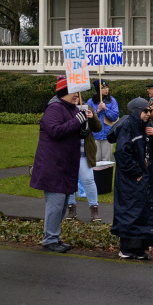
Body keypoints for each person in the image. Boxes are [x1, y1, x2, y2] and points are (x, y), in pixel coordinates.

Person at [30, 76, 101, 252]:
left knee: (61, 205)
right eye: (74, 91)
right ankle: (50, 240)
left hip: (65, 164)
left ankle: (54, 237)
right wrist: (77, 122)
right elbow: (55, 131)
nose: (77, 95)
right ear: (64, 93)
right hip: (53, 165)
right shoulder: (54, 109)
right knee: (55, 205)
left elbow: (73, 130)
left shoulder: (70, 108)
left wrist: (83, 129)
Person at [107, 97, 153, 259]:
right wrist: (137, 173)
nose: (148, 114)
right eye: (146, 111)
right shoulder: (127, 126)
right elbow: (122, 153)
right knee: (130, 210)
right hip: (131, 179)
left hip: (144, 176)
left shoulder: (146, 126)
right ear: (137, 111)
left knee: (143, 209)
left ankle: (140, 248)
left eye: (150, 111)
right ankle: (127, 248)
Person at [67, 86, 104, 223]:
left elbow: (98, 128)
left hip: (84, 152)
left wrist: (92, 117)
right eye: (73, 94)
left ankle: (94, 210)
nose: (76, 96)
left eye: (77, 94)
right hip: (69, 152)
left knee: (88, 180)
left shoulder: (86, 107)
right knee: (70, 181)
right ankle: (71, 210)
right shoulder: (63, 109)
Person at [87, 79, 119, 163]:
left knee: (106, 160)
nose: (106, 90)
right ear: (98, 90)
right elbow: (88, 118)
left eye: (107, 87)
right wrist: (98, 111)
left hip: (107, 135)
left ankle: (106, 176)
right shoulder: (91, 101)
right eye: (103, 88)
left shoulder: (112, 101)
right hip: (95, 135)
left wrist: (105, 108)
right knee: (96, 160)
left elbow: (115, 117)